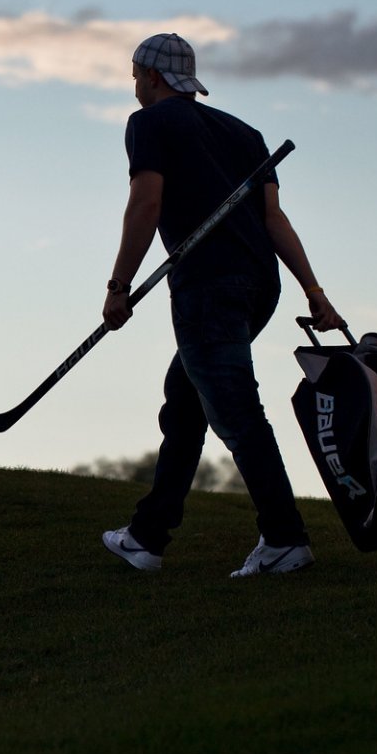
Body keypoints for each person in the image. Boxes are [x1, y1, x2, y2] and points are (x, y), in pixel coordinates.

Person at [100, 32, 347, 578]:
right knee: (186, 400)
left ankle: (286, 540)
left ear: (154, 77)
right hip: (259, 287)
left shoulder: (149, 124)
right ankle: (146, 537)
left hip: (209, 286)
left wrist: (119, 286)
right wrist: (313, 290)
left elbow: (146, 203)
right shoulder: (243, 132)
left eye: (136, 75)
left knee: (235, 411)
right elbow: (273, 220)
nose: (135, 85)